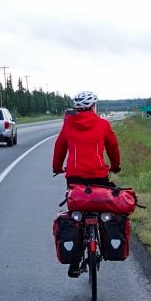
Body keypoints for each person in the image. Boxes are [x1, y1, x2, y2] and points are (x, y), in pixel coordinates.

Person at [52, 90, 121, 277]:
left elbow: (60, 148)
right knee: (101, 209)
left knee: (76, 215)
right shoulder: (103, 124)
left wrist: (57, 167)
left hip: (75, 178)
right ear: (93, 107)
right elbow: (113, 147)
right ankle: (102, 236)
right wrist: (115, 166)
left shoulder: (68, 125)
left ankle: (74, 261)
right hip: (99, 177)